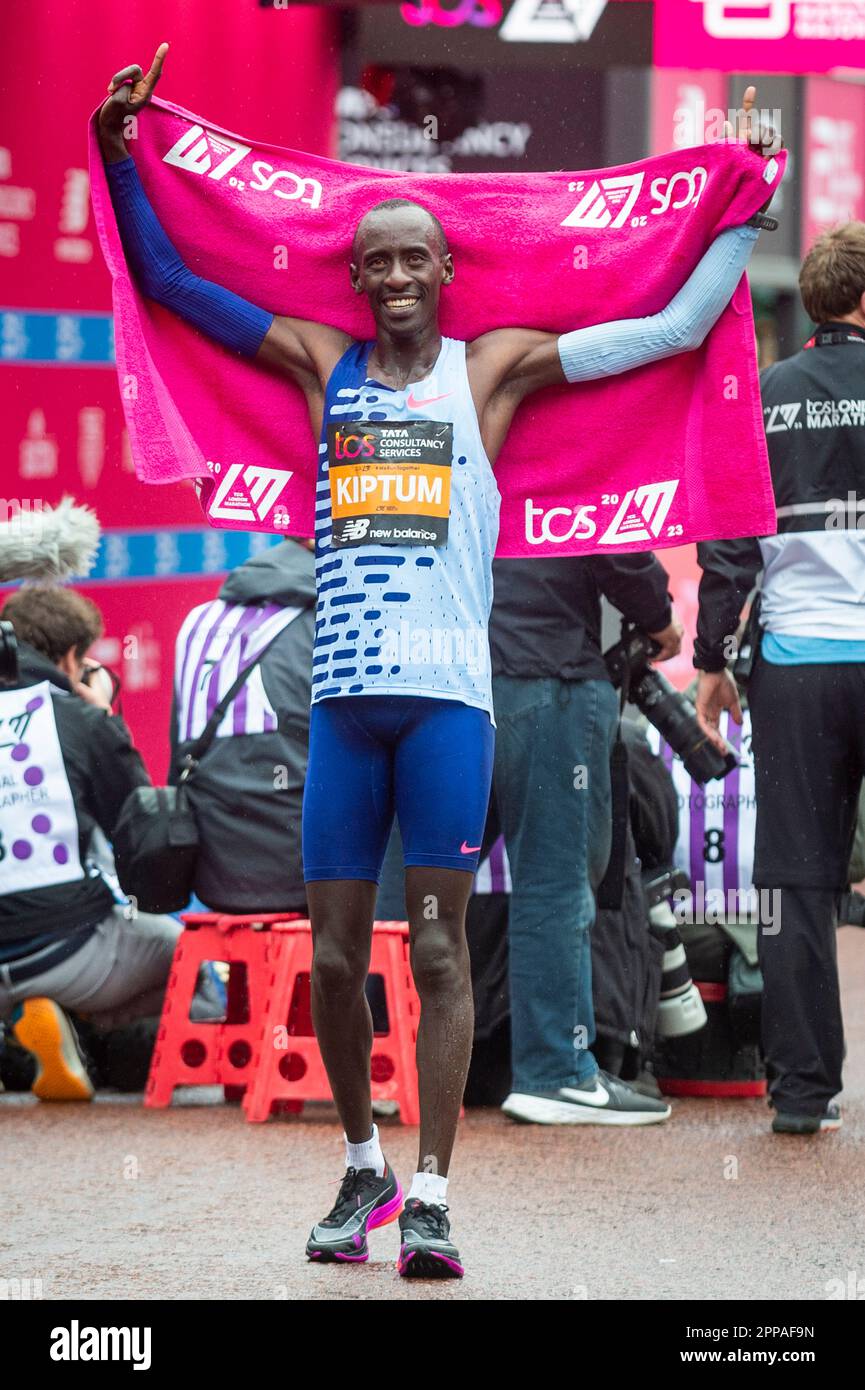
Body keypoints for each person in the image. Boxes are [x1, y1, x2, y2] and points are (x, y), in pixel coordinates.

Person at [98, 46, 777, 1276]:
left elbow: (673, 328)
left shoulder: (492, 368)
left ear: (445, 271)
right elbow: (164, 277)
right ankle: (359, 1168)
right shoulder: (320, 363)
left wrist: (744, 201)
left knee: (445, 948)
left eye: (417, 257)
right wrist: (118, 152)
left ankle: (431, 1194)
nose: (399, 275)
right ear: (354, 280)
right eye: (378, 262)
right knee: (344, 958)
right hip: (344, 709)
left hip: (453, 709)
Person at [695, 222, 865, 1135]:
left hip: (797, 671)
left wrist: (711, 662)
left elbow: (727, 548)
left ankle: (800, 1093)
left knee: (796, 880)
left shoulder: (765, 397)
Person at [490, 553, 681, 1124]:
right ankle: (555, 1073)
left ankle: (388, 1065)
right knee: (556, 880)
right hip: (550, 665)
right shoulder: (563, 456)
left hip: (448, 671)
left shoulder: (444, 458)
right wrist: (658, 616)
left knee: (420, 880)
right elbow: (615, 538)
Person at [0, 584, 182, 1099]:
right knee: (186, 957)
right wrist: (104, 719)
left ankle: (22, 1034)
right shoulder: (80, 720)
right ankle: (80, 1034)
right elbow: (143, 842)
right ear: (71, 657)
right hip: (67, 952)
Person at [169, 538, 316, 914]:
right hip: (315, 878)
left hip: (214, 879)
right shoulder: (334, 621)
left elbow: (178, 764)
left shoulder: (196, 622)